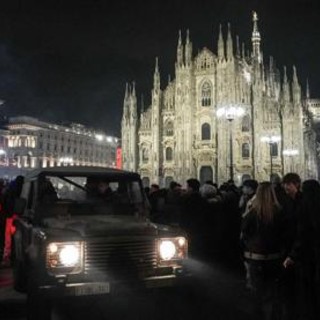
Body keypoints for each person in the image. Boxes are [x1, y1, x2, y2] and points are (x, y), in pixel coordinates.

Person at [241, 182, 288, 320]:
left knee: (257, 293)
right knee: (274, 291)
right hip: (274, 257)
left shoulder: (252, 213)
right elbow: (285, 234)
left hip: (255, 257)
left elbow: (244, 233)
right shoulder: (280, 212)